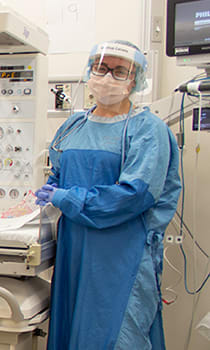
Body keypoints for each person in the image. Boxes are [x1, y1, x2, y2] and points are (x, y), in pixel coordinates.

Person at [36, 40, 181, 349]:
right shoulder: (74, 125)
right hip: (74, 251)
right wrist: (42, 198)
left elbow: (134, 194)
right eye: (101, 68)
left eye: (119, 71)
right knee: (71, 331)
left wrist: (65, 198)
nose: (107, 77)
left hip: (120, 255)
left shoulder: (148, 130)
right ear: (90, 71)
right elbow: (59, 176)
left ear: (135, 80)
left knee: (117, 335)